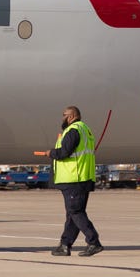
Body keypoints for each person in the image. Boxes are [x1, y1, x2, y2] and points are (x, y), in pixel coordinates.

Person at [35, 106, 104, 257]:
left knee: (75, 212)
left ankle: (94, 242)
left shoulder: (73, 130)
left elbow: (64, 153)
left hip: (73, 179)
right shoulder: (85, 129)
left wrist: (50, 153)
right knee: (72, 214)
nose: (62, 118)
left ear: (72, 116)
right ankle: (65, 244)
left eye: (64, 115)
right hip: (82, 178)